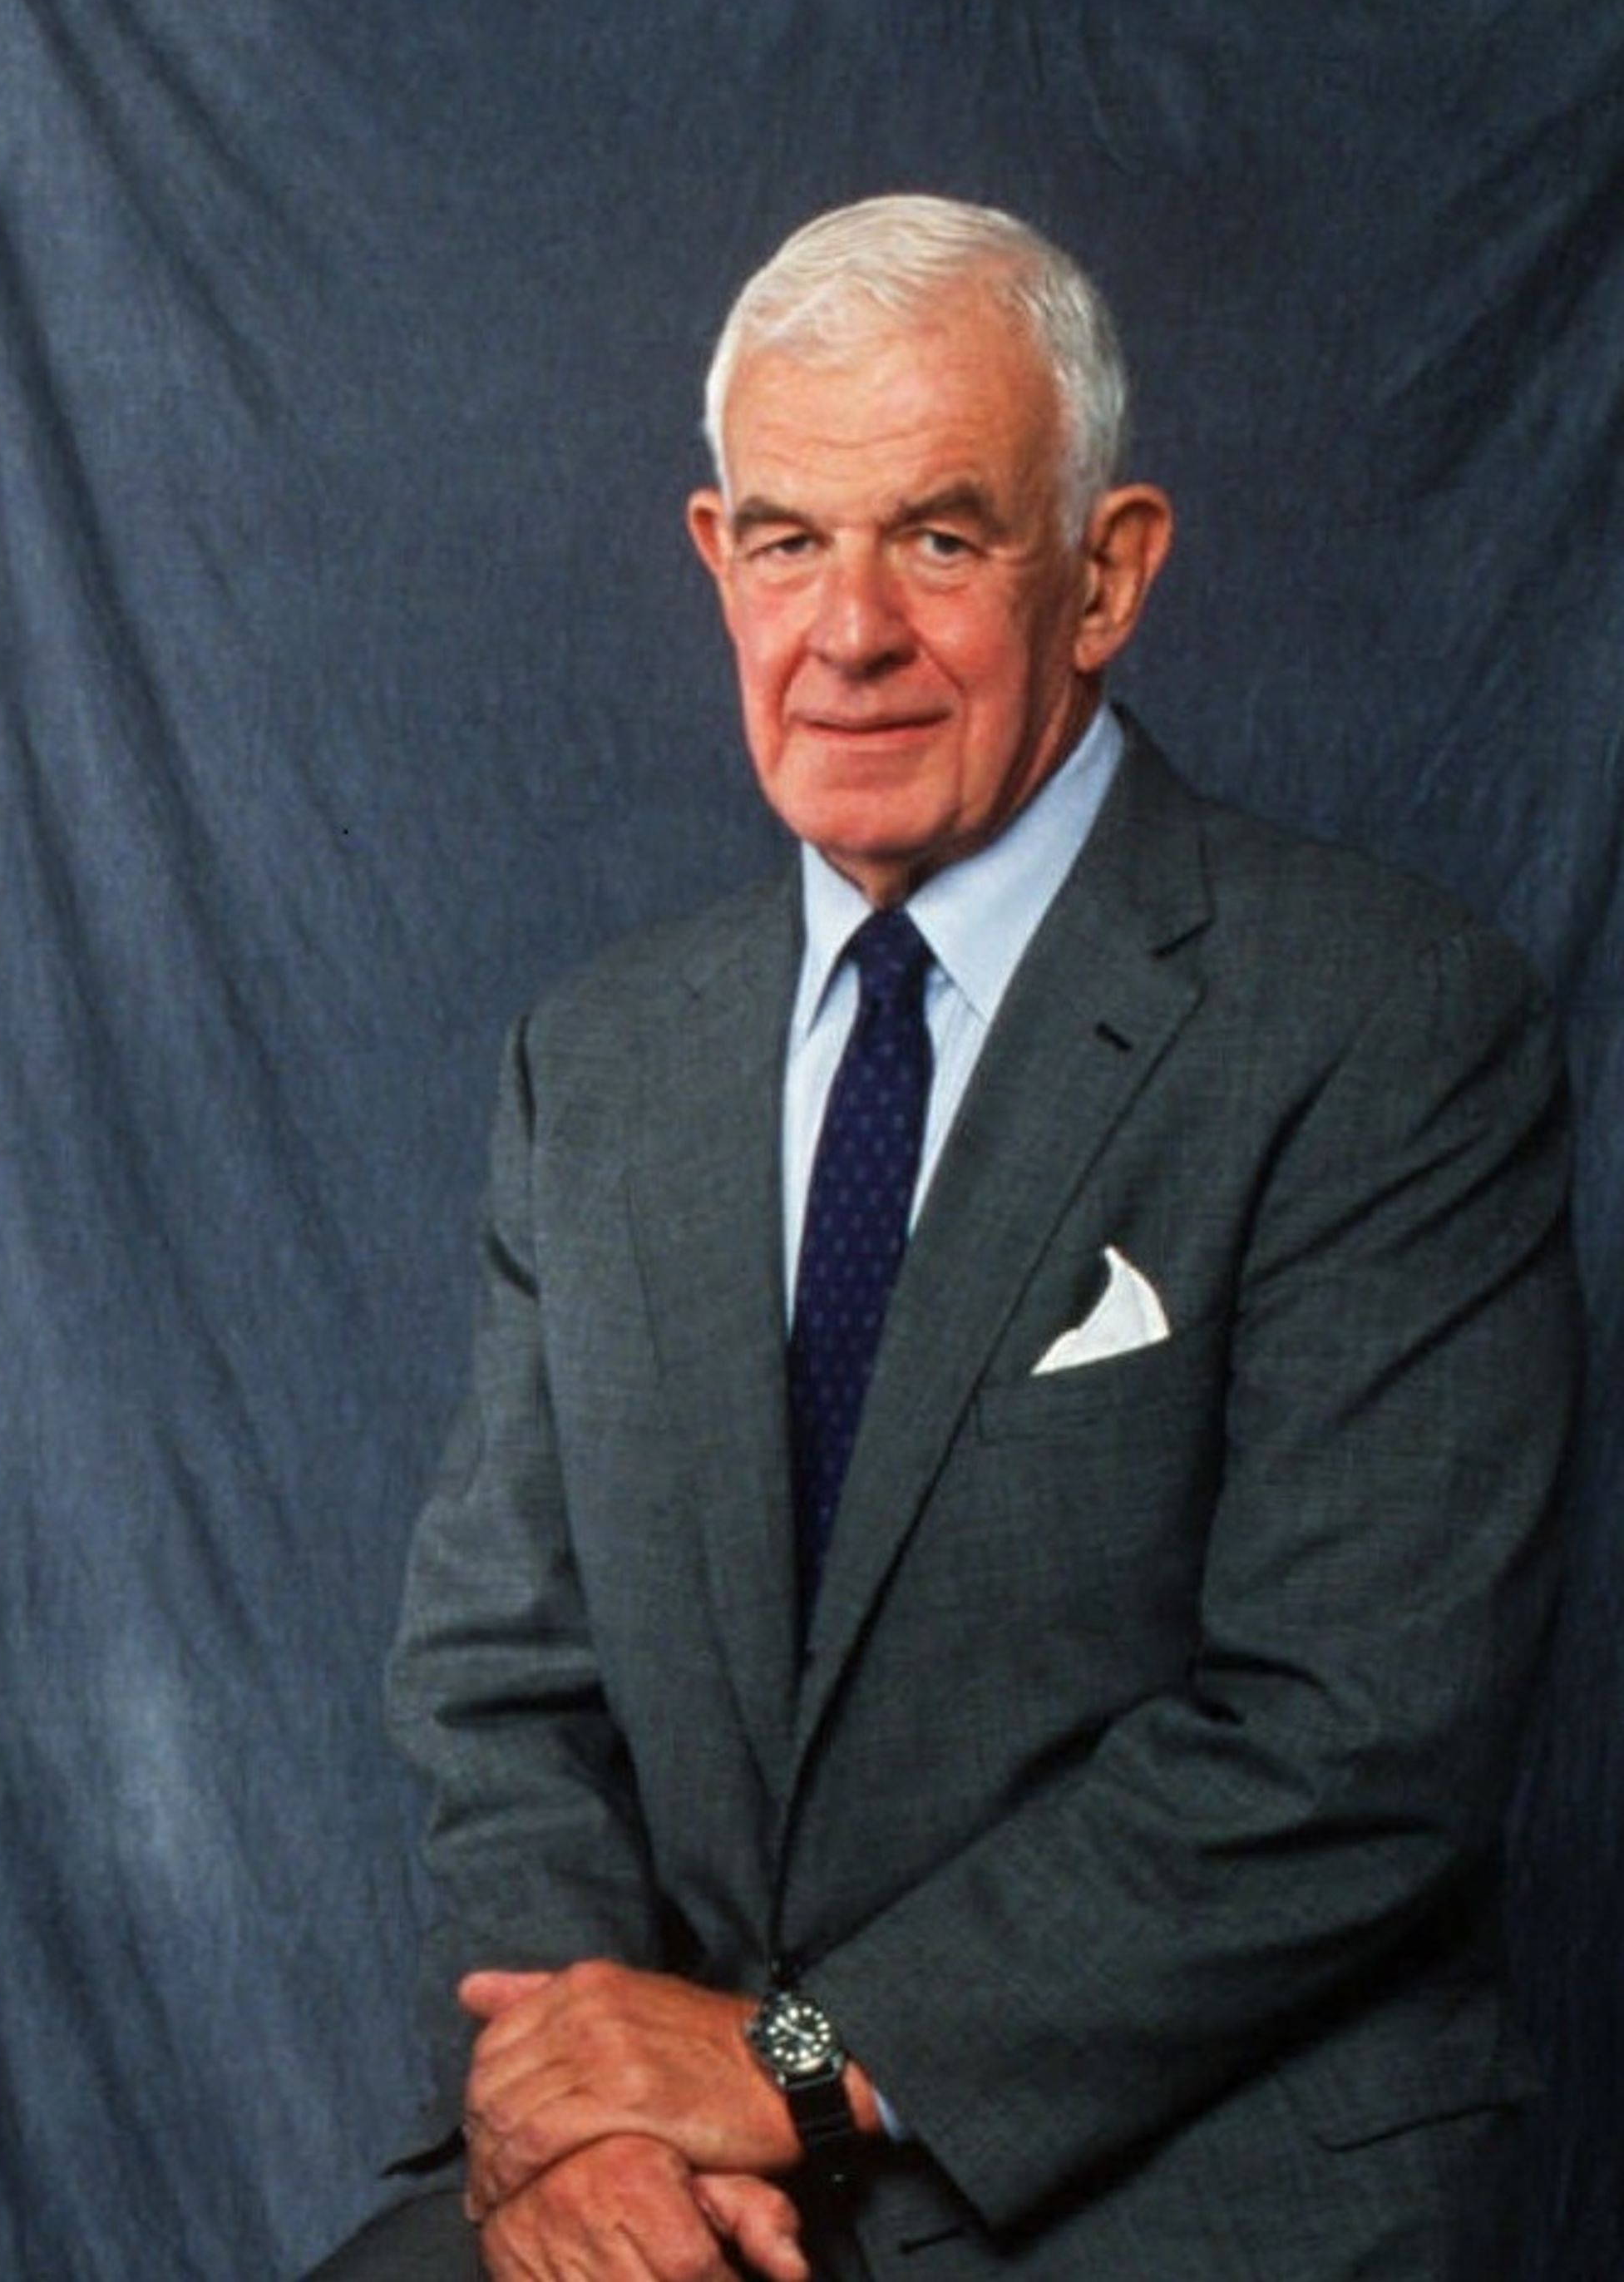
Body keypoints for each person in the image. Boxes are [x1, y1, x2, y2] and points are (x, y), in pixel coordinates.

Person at [312, 195, 1578, 2280]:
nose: (854, 630)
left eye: (945, 537)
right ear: (719, 564)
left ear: (1111, 574)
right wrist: (585, 2116)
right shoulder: (602, 1064)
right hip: (686, 2172)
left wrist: (793, 2065)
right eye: (793, 540)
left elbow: (1353, 1741)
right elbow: (504, 1684)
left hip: (1188, 2183)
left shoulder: (1381, 1022)